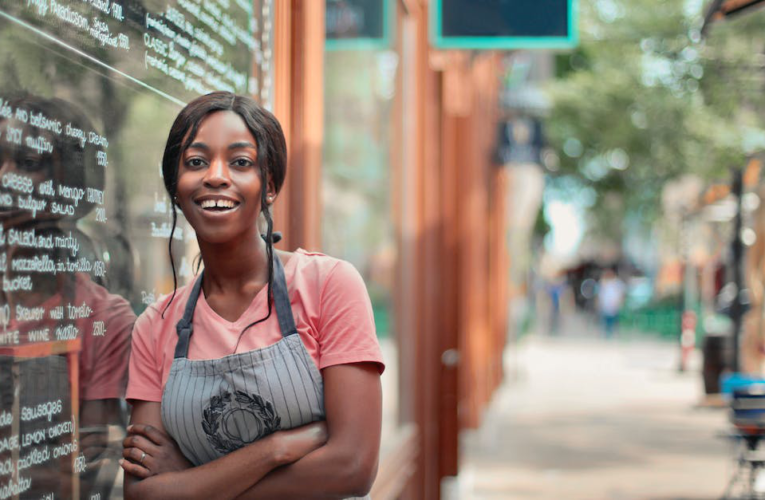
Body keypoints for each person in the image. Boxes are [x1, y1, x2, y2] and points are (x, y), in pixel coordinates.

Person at [121, 92, 384, 499]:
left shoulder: (329, 286)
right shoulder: (154, 327)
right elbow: (142, 494)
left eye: (240, 162)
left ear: (270, 186)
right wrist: (275, 450)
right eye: (195, 162)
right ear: (175, 187)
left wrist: (193, 481)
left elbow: (353, 466)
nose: (215, 176)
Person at [597, 269, 625, 339]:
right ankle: (607, 334)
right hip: (605, 305)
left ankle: (613, 334)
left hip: (614, 305)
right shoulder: (603, 282)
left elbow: (621, 294)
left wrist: (620, 302)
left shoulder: (617, 283)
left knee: (613, 321)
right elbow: (600, 294)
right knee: (606, 320)